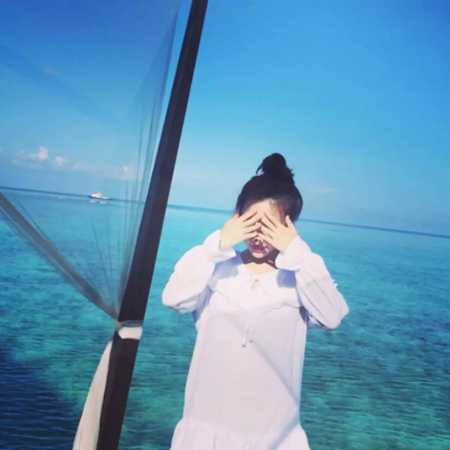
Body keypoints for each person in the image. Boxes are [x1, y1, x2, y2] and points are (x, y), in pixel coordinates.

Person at [162, 153, 350, 450]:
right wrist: (218, 243)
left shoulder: (301, 274)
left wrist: (296, 251)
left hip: (274, 436)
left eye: (269, 226)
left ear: (288, 226)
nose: (259, 236)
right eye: (252, 223)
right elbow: (174, 299)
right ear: (237, 217)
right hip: (205, 430)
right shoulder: (215, 266)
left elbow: (332, 316)